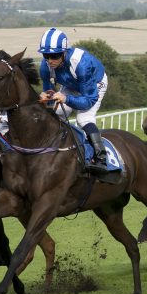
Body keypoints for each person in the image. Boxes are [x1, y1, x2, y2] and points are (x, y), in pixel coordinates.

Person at [36, 27, 117, 181]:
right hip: (72, 84)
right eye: (46, 55)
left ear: (64, 52)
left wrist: (66, 99)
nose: (50, 60)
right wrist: (48, 96)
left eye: (54, 55)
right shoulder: (45, 66)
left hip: (94, 84)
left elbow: (88, 101)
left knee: (83, 119)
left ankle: (101, 158)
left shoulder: (81, 64)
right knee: (55, 113)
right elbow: (49, 89)